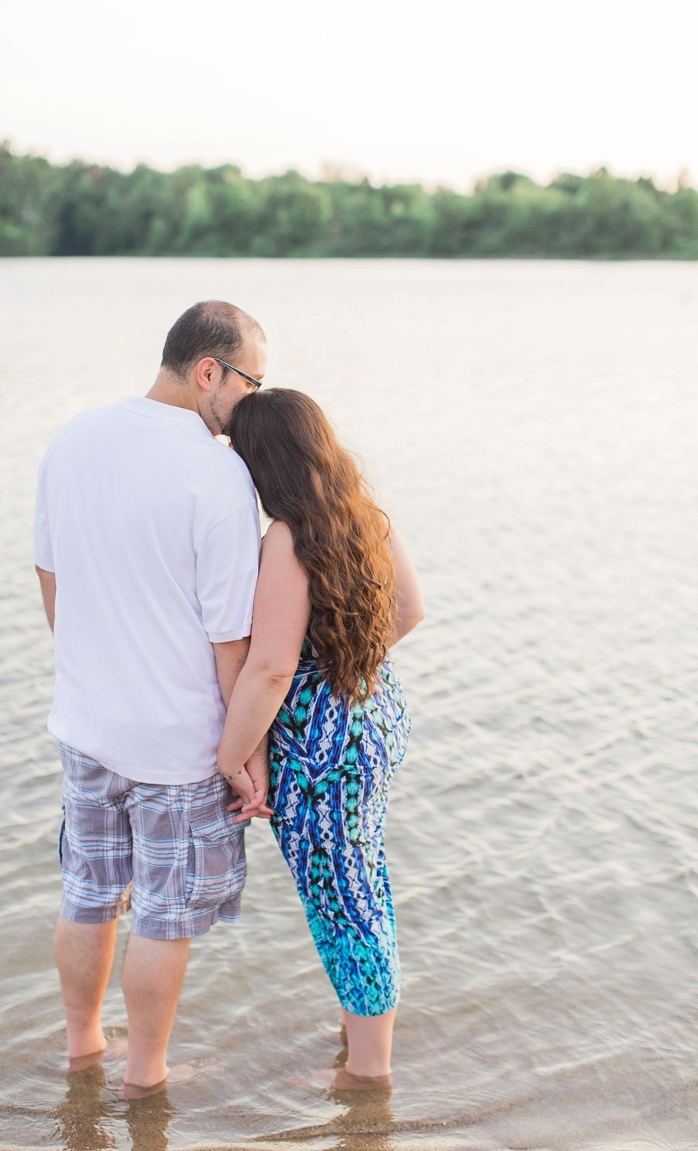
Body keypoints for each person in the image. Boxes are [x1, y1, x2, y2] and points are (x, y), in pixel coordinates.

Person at [34, 299, 271, 1096]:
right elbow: (229, 639)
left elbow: (49, 572)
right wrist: (245, 755)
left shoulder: (73, 438)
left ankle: (81, 1050)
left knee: (89, 890)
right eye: (252, 383)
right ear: (210, 371)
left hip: (85, 723)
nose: (255, 403)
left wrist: (86, 668)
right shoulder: (218, 472)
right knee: (163, 916)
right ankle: (145, 1079)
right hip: (176, 742)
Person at [217, 388, 424, 1089]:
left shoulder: (287, 533)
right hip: (374, 716)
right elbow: (410, 609)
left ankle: (369, 1076)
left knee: (343, 895)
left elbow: (272, 666)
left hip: (325, 749)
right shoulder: (361, 510)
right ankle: (358, 1036)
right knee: (362, 878)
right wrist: (348, 662)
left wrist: (230, 753)